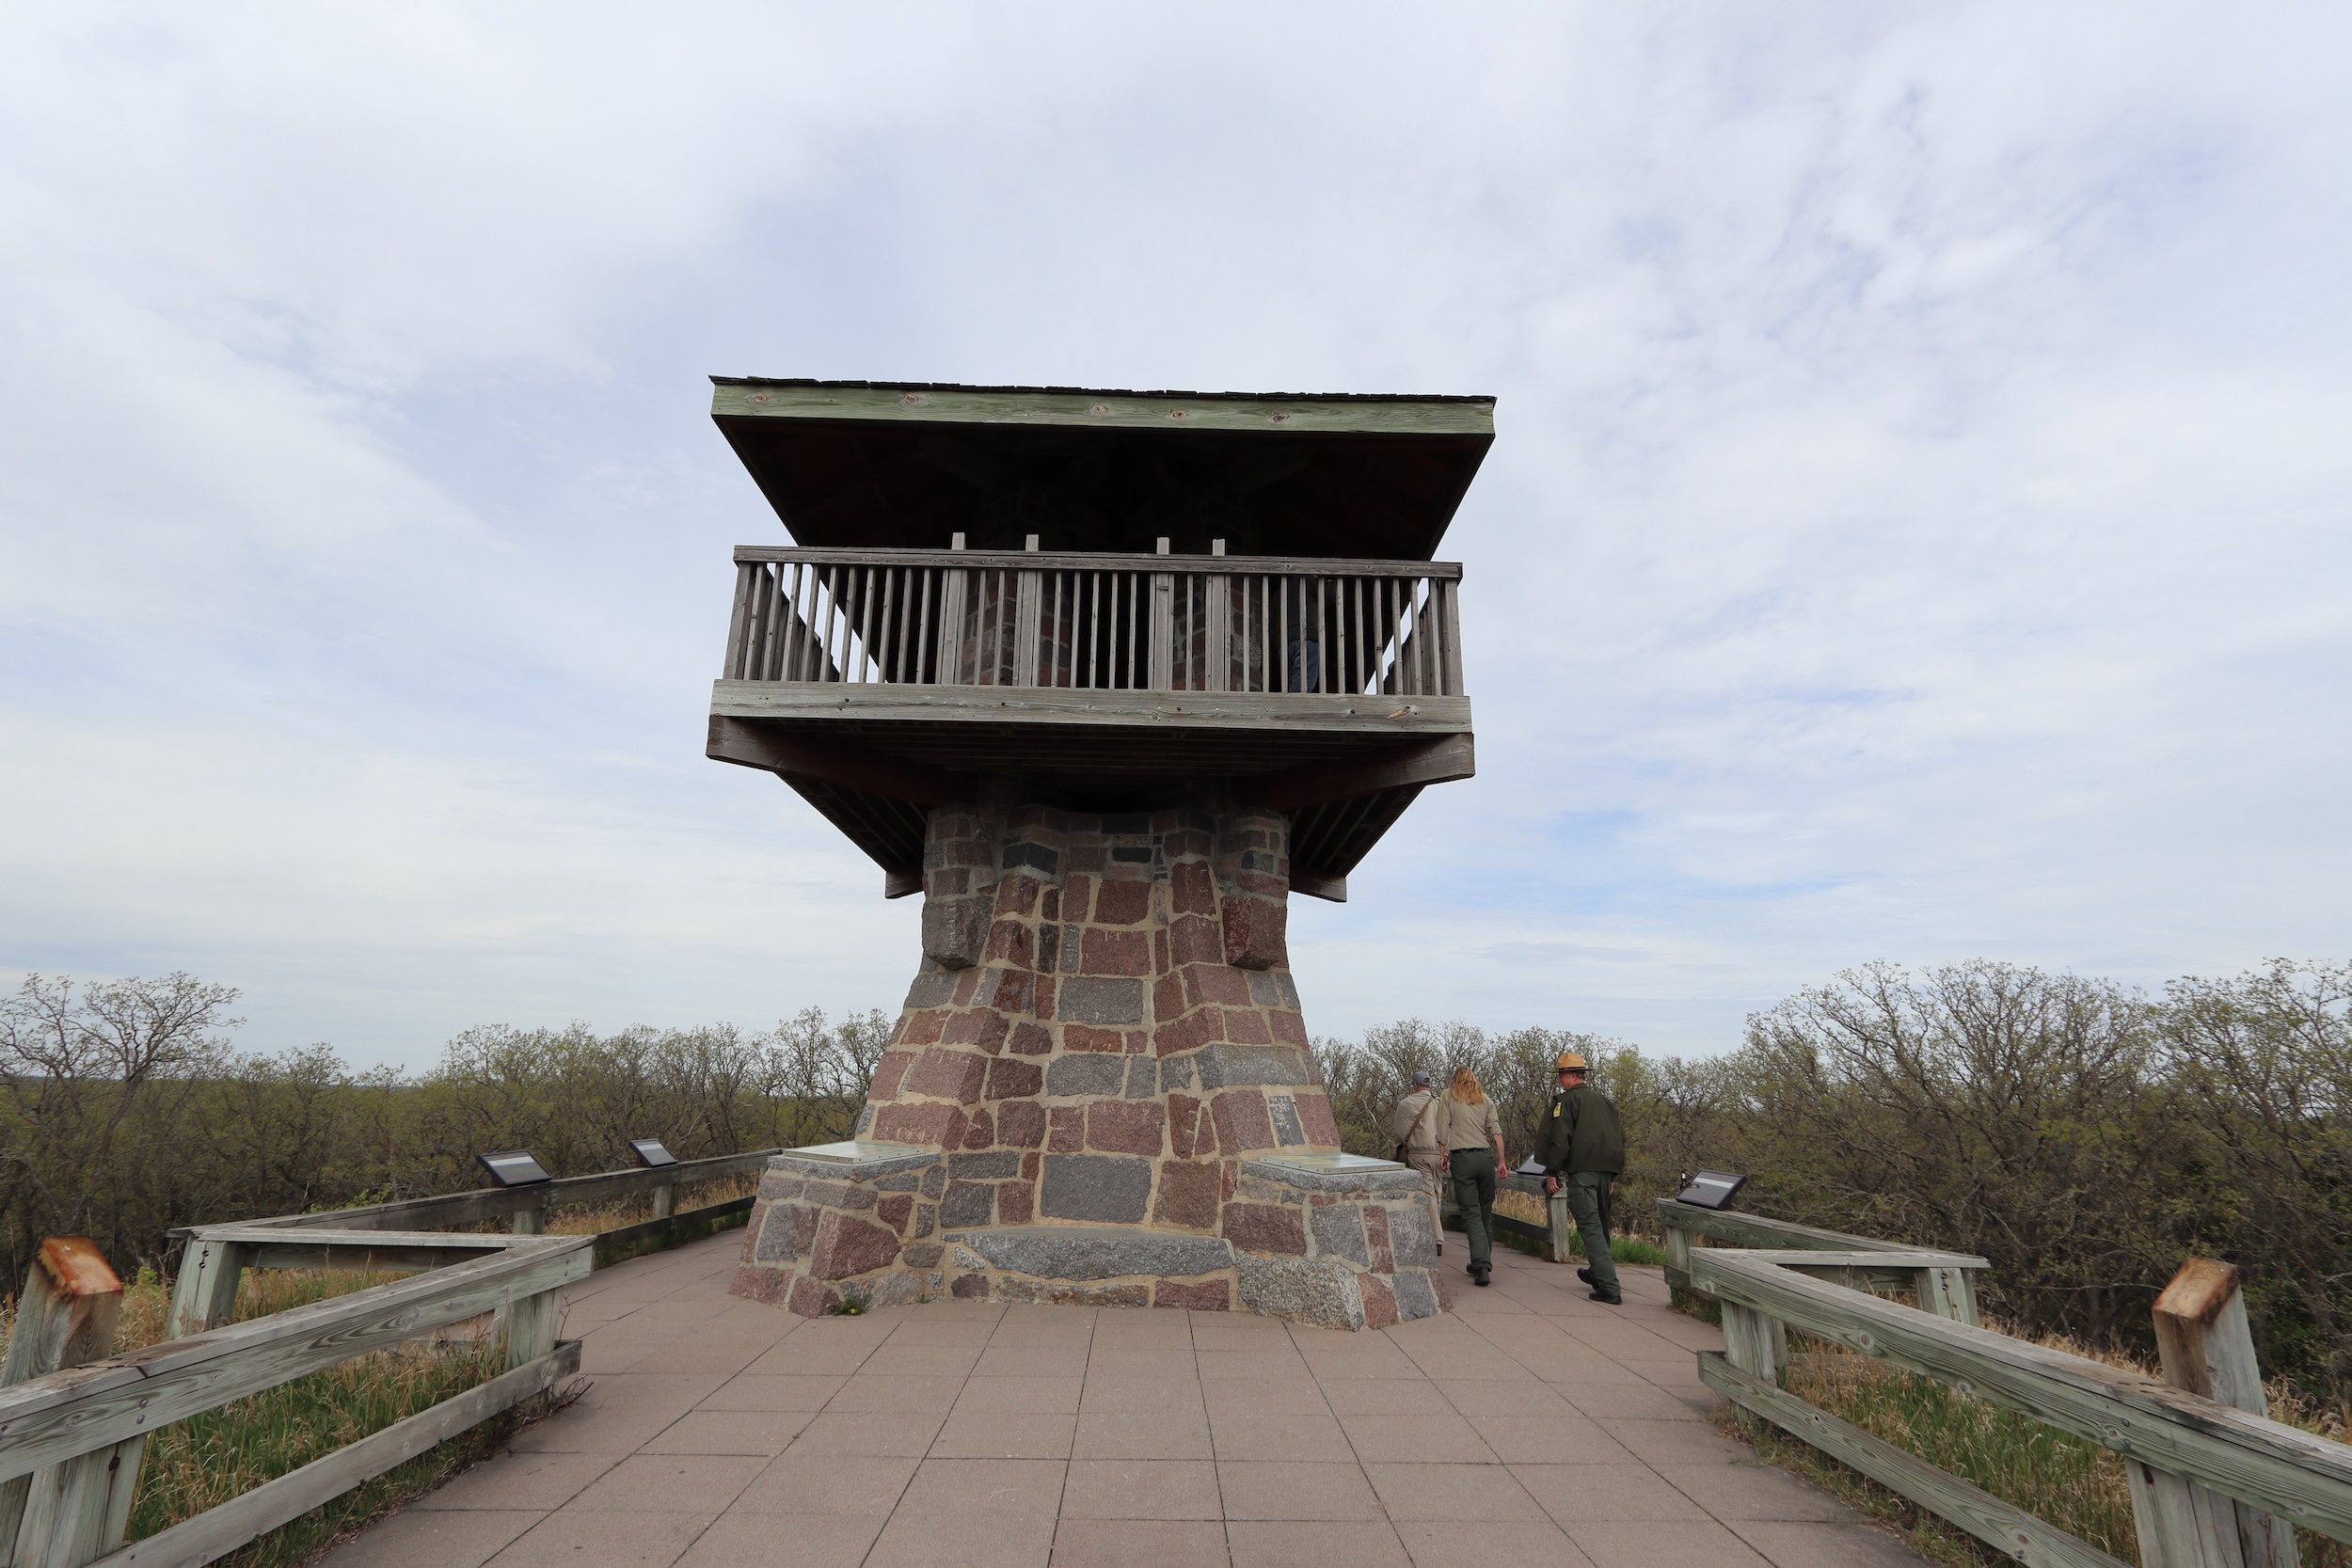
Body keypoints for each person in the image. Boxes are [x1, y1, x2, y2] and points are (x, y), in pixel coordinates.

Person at [1534, 1050, 1626, 1305]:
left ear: (1571, 1076)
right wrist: (1612, 1175)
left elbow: (1560, 1140)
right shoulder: (1604, 1102)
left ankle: (1609, 1287)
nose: (1559, 1081)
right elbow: (1619, 1138)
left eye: (1561, 1075)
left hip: (1582, 1174)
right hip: (1605, 1173)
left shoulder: (1567, 1102)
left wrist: (1552, 1171)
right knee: (1602, 1225)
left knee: (1590, 1227)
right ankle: (1598, 1273)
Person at [1436, 1065, 1506, 1287]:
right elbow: (1496, 1133)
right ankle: (1481, 1261)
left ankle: (1482, 1265)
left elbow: (1442, 1129)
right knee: (1485, 1212)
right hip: (1485, 1159)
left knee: (1472, 1213)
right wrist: (1502, 1162)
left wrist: (1442, 1155)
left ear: (1455, 1079)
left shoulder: (1447, 1096)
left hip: (1463, 1158)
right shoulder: (1485, 1100)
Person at [1391, 1069, 1446, 1256]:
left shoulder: (1406, 1104)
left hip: (1419, 1153)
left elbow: (1400, 1132)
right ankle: (1435, 1233)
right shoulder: (1439, 1104)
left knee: (1428, 1194)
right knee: (1437, 1193)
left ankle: (1436, 1239)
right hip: (1439, 1154)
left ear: (1414, 1085)